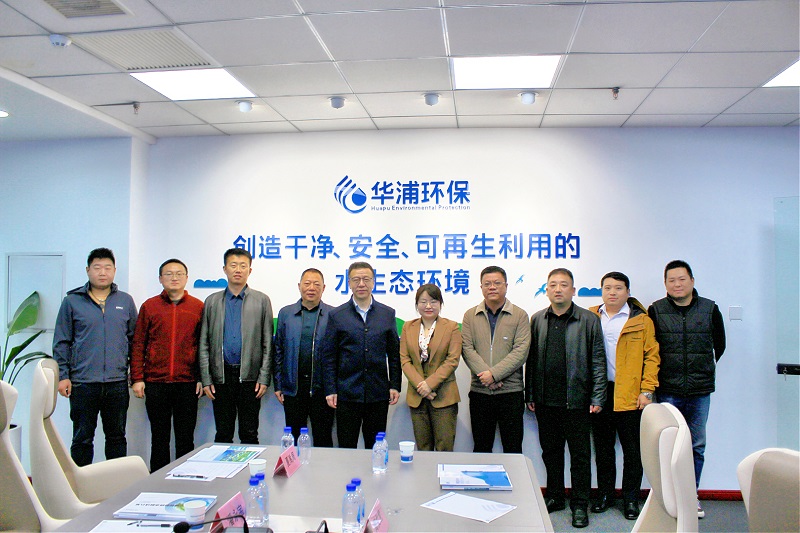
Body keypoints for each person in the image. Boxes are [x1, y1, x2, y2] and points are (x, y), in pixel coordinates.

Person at [525, 267, 606, 529]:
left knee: (580, 456)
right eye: (553, 285)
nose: (558, 289)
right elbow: (531, 361)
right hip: (545, 400)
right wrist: (530, 393)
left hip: (578, 400)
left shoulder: (588, 320)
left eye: (563, 285)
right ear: (547, 290)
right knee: (551, 453)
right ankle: (555, 496)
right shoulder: (538, 319)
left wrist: (597, 396)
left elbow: (598, 360)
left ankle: (580, 504)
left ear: (573, 290)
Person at [648, 260, 725, 519]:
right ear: (665, 284)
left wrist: (701, 367)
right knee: (668, 445)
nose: (677, 284)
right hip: (668, 389)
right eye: (671, 280)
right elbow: (650, 348)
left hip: (700, 390)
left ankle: (691, 496)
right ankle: (669, 497)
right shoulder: (656, 310)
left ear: (692, 281)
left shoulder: (710, 309)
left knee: (696, 445)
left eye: (682, 279)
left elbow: (720, 345)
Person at [53, 247, 138, 466]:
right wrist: (63, 376)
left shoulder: (125, 301)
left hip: (116, 383)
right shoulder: (72, 302)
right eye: (97, 267)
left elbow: (134, 341)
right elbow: (62, 342)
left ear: (114, 271)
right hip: (83, 383)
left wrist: (135, 375)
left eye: (107, 267)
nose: (102, 272)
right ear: (88, 270)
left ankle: (116, 483)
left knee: (117, 437)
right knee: (82, 439)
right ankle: (80, 483)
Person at [588, 272, 660, 520]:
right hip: (600, 393)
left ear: (628, 292)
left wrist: (647, 390)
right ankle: (605, 495)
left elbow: (652, 357)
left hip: (631, 394)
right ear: (601, 291)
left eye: (618, 288)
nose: (612, 292)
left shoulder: (641, 320)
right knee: (603, 449)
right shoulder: (591, 316)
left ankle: (631, 499)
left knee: (633, 451)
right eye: (607, 288)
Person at [130, 258, 204, 472]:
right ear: (160, 278)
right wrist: (137, 378)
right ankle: (158, 481)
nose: (174, 278)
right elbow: (138, 344)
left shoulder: (198, 307)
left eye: (179, 274)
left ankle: (184, 478)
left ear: (186, 278)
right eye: (169, 274)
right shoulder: (150, 306)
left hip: (187, 383)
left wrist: (201, 378)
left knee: (185, 438)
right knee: (159, 438)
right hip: (156, 382)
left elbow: (203, 345)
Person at [321, 261, 401, 449]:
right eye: (356, 279)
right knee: (346, 446)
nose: (361, 284)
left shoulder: (387, 314)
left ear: (373, 282)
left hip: (378, 393)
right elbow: (329, 356)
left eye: (366, 279)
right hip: (347, 394)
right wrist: (330, 389)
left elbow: (394, 354)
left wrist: (395, 385)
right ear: (349, 283)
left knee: (376, 447)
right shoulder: (337, 315)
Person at [198, 248, 273, 444]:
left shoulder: (262, 300)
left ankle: (250, 466)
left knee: (249, 433)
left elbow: (267, 343)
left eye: (243, 266)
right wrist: (206, 378)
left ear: (250, 270)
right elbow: (204, 343)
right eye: (233, 265)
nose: (238, 270)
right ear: (225, 269)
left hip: (250, 377)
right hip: (221, 377)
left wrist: (264, 377)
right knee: (223, 434)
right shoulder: (212, 301)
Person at [461, 266, 530, 454]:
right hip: (480, 392)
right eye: (487, 284)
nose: (492, 287)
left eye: (497, 283)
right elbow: (467, 349)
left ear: (506, 286)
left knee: (513, 448)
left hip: (511, 393)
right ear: (481, 287)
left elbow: (521, 351)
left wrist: (494, 375)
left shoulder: (520, 315)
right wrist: (486, 377)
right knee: (481, 448)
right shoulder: (470, 316)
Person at [273, 268, 335, 446]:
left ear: (324, 288)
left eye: (316, 284)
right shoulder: (286, 313)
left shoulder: (333, 315)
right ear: (299, 286)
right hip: (293, 388)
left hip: (322, 390)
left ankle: (322, 466)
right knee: (293, 437)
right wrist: (278, 384)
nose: (311, 288)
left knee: (323, 438)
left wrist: (333, 388)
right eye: (307, 283)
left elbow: (337, 355)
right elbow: (278, 351)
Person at [399, 284, 462, 451]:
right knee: (423, 448)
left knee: (444, 448)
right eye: (423, 301)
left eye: (433, 301)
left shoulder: (451, 327)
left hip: (444, 397)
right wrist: (422, 387)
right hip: (417, 397)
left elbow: (452, 360)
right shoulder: (408, 327)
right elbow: (405, 359)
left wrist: (430, 385)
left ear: (440, 304)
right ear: (417, 304)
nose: (428, 306)